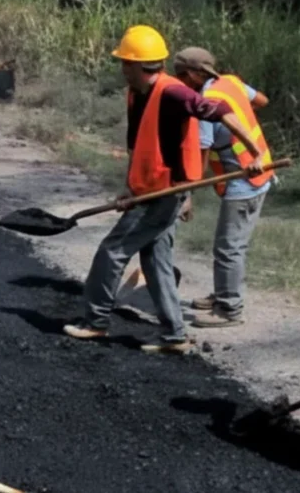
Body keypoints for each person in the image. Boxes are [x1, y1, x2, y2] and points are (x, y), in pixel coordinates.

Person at [63, 26, 266, 354]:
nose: (121, 69)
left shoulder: (174, 92)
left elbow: (220, 112)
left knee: (112, 251)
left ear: (133, 65)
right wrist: (129, 188)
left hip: (165, 193)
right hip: (146, 190)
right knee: (156, 259)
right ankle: (174, 335)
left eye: (123, 63)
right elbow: (136, 146)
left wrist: (253, 151)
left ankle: (95, 321)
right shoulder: (135, 94)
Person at [172, 47, 274, 329]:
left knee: (229, 247)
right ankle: (222, 294)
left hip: (245, 180)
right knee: (229, 245)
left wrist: (187, 195)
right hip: (256, 170)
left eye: (181, 76)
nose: (179, 82)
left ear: (194, 74)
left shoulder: (207, 103)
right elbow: (262, 101)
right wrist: (239, 120)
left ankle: (229, 308)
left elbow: (200, 157)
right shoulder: (230, 82)